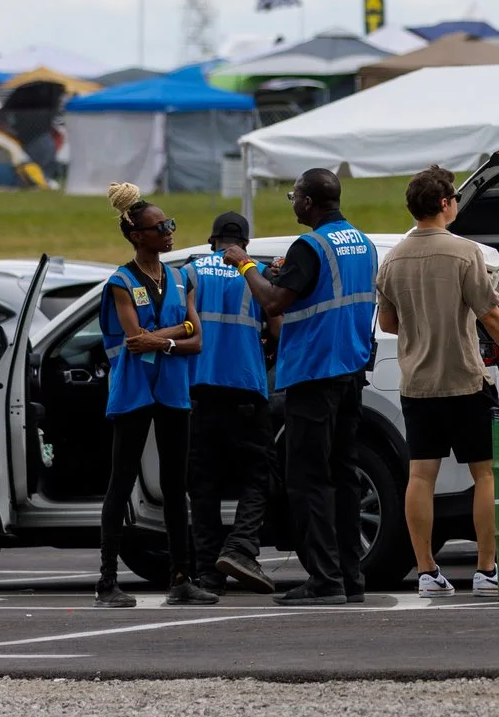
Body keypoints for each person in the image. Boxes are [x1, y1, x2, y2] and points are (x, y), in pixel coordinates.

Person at [375, 166, 499, 596]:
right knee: (486, 474)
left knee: (420, 476)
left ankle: (425, 571)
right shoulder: (465, 254)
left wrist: (423, 328)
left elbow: (388, 322)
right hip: (463, 379)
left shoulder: (392, 259)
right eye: (454, 198)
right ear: (443, 204)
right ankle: (486, 568)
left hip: (416, 384)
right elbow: (492, 316)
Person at [224, 167, 378, 606]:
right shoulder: (362, 242)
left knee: (307, 479)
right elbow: (318, 289)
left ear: (309, 202)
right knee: (343, 478)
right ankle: (350, 578)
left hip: (314, 372)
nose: (291, 201)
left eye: (294, 196)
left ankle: (323, 579)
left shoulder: (309, 245)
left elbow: (273, 302)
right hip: (350, 370)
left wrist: (246, 265)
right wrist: (283, 272)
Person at [99, 185, 205, 607]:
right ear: (137, 235)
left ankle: (182, 577)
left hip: (173, 390)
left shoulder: (182, 277)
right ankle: (106, 581)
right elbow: (131, 340)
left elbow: (196, 339)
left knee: (175, 485)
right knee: (121, 482)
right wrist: (178, 332)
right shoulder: (121, 282)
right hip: (134, 391)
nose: (169, 231)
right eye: (160, 227)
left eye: (170, 224)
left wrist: (164, 337)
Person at [183, 211, 278, 595]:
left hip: (198, 390)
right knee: (259, 475)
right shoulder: (257, 272)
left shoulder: (190, 272)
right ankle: (240, 546)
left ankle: (208, 573)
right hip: (246, 389)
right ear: (246, 243)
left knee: (202, 485)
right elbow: (276, 328)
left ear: (212, 241)